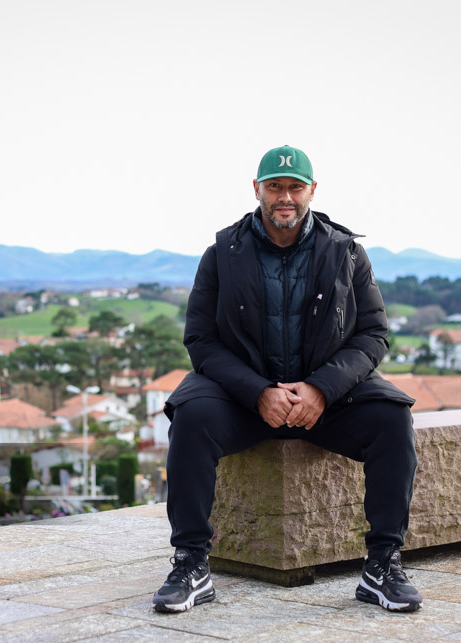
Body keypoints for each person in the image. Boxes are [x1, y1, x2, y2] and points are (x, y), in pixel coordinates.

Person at [152, 145, 422, 614]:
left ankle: (382, 565)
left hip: (326, 401)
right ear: (256, 189)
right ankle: (191, 563)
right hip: (243, 400)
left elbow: (373, 334)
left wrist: (321, 388)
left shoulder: (346, 253)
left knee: (392, 419)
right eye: (274, 186)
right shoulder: (221, 254)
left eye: (295, 187)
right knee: (191, 415)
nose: (285, 197)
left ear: (312, 190)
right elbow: (200, 339)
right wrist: (257, 392)